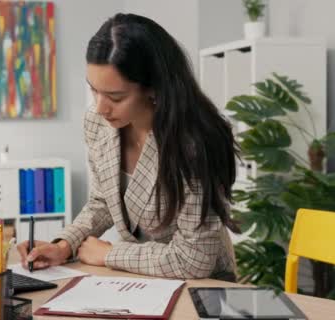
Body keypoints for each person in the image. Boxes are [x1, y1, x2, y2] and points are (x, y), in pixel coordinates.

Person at [17, 13, 240, 280]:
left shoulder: (195, 143)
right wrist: (64, 245)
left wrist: (109, 254)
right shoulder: (98, 123)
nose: (100, 107)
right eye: (94, 90)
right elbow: (102, 200)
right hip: (143, 280)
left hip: (203, 283)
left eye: (115, 96)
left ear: (154, 88)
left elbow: (193, 259)